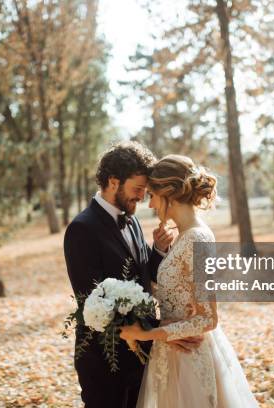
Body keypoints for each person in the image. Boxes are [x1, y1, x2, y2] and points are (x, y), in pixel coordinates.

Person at [64, 142, 202, 408]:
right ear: (114, 182)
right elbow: (93, 302)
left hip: (142, 356)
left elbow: (140, 279)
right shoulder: (81, 229)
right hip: (105, 360)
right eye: (137, 189)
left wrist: (158, 251)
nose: (142, 197)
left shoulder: (134, 220)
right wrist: (161, 331)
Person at [120, 154, 260, 407]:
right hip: (171, 355)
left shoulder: (198, 239)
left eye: (152, 195)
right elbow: (174, 292)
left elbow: (208, 318)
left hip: (189, 359)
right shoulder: (182, 237)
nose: (150, 205)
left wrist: (149, 334)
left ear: (169, 193)